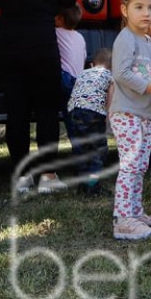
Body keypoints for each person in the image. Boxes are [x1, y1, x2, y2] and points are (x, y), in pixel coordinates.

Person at [0, 0, 77, 193]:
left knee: (17, 112)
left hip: (8, 46)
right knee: (48, 110)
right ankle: (48, 176)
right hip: (41, 46)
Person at [110, 0, 151, 240]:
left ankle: (135, 211)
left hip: (144, 114)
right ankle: (123, 219)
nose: (146, 13)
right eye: (139, 7)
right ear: (125, 10)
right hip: (126, 113)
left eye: (150, 7)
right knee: (130, 164)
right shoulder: (126, 38)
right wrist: (149, 88)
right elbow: (121, 73)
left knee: (140, 165)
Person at [67, 47, 113, 195]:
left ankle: (81, 186)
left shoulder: (82, 74)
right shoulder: (110, 76)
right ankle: (92, 187)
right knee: (97, 150)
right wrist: (108, 115)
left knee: (80, 150)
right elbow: (110, 98)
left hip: (74, 112)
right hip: (93, 114)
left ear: (92, 64)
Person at [56, 3, 87, 134]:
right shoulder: (80, 37)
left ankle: (78, 149)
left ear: (61, 19)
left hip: (65, 79)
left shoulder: (56, 32)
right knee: (77, 117)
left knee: (70, 118)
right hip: (79, 81)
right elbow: (84, 57)